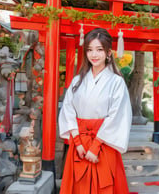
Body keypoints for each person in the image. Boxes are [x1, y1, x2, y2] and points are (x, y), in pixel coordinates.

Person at [59, 28, 132, 194]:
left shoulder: (116, 82)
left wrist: (96, 145)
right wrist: (77, 142)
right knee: (78, 186)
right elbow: (68, 109)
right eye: (90, 50)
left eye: (99, 50)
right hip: (80, 145)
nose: (94, 54)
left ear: (108, 53)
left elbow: (117, 116)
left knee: (104, 186)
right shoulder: (78, 80)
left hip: (103, 144)